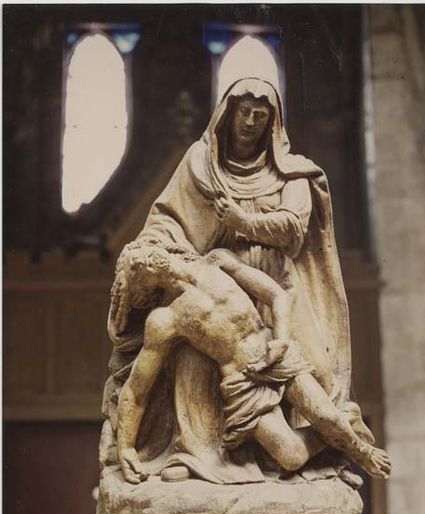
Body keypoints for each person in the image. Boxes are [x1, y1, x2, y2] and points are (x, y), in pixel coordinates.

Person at [101, 77, 355, 484]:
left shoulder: (293, 173)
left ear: (273, 123)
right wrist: (151, 252)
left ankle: (328, 442)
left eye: (261, 115)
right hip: (217, 278)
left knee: (319, 375)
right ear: (228, 113)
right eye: (244, 112)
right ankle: (198, 454)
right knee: (192, 354)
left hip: (275, 283)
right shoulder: (199, 164)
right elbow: (167, 220)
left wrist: (242, 221)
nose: (250, 122)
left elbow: (293, 229)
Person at [114, 243, 391, 485]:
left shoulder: (218, 261)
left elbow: (276, 295)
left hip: (273, 354)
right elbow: (137, 390)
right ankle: (348, 418)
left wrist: (281, 339)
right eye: (134, 268)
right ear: (141, 287)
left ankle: (361, 451)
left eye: (141, 254)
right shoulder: (164, 320)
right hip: (241, 384)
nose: (142, 261)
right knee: (291, 456)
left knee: (326, 417)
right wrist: (125, 447)